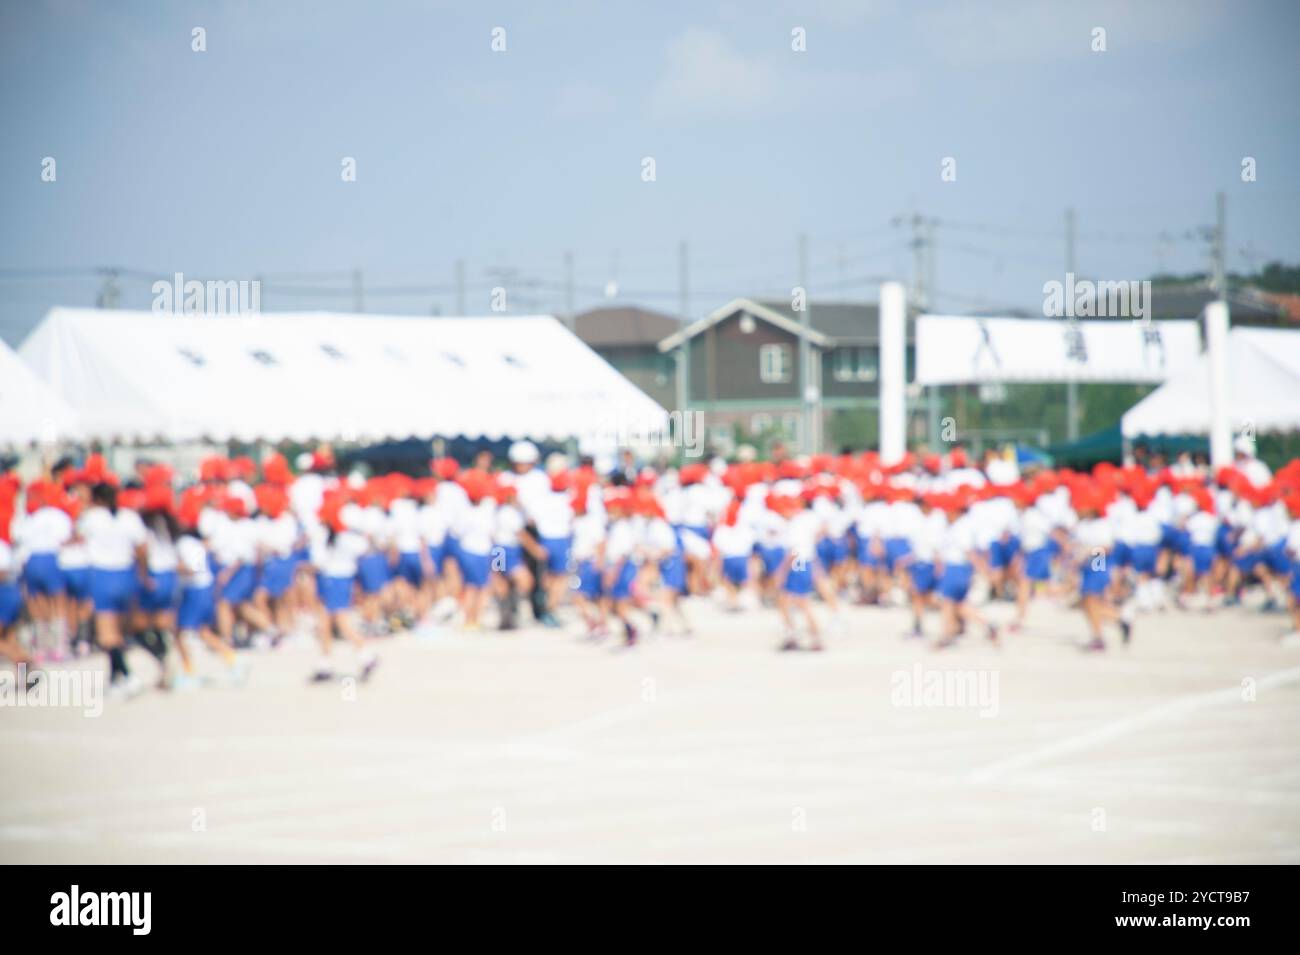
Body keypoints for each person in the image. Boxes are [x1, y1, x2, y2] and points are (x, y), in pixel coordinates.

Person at [80, 483, 148, 698]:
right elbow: (142, 548)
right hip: (126, 574)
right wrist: (143, 574)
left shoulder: (92, 517)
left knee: (106, 634)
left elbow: (77, 535)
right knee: (118, 631)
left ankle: (128, 675)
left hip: (103, 574)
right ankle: (115, 678)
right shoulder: (129, 517)